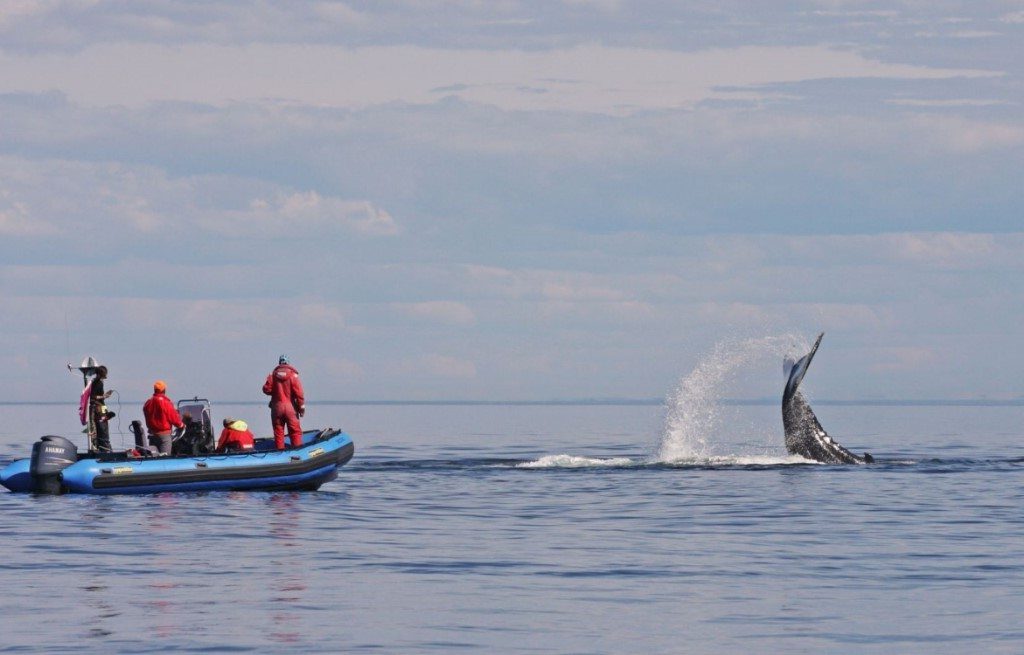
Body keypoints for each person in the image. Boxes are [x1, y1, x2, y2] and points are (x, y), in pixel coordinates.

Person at [262, 355, 305, 450]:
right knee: (295, 432)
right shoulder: (293, 375)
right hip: (291, 408)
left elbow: (266, 389)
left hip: (276, 408)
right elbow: (299, 394)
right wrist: (302, 408)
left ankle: (280, 453)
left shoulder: (273, 375)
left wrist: (275, 391)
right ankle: (298, 452)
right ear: (288, 363)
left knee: (278, 432)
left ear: (279, 363)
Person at [143, 380, 184, 455]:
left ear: (155, 390)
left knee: (153, 456)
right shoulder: (165, 402)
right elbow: (174, 418)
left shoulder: (148, 402)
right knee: (165, 457)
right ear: (164, 390)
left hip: (152, 435)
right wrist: (181, 425)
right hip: (164, 436)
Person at [90, 365, 115, 452]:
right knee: (103, 428)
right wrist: (104, 396)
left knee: (104, 423)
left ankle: (104, 447)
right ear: (102, 373)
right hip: (98, 407)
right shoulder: (98, 382)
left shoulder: (97, 381)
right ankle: (105, 448)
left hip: (101, 406)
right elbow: (93, 397)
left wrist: (104, 396)